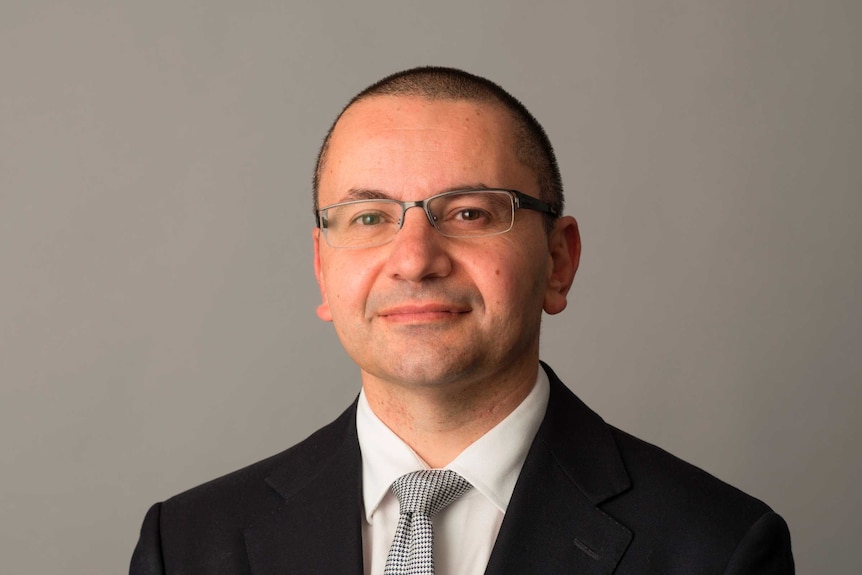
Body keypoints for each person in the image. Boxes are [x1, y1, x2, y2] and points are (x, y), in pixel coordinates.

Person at [130, 66, 794, 574]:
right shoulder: (188, 544)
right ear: (322, 269)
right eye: (369, 218)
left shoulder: (717, 547)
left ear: (558, 261)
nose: (414, 260)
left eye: (470, 212)